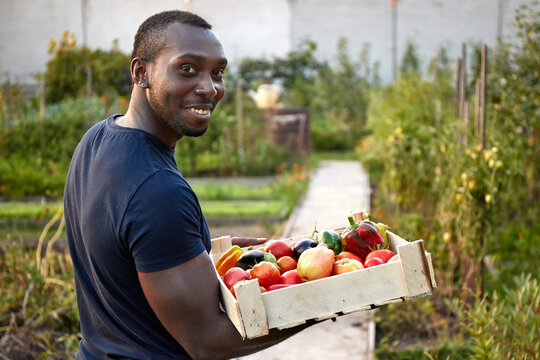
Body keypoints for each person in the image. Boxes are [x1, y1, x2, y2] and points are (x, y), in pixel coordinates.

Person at [63, 10, 314, 360]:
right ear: (141, 72)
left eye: (217, 72)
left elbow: (121, 253)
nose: (210, 87)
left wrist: (193, 251)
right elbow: (208, 340)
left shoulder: (96, 140)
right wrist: (321, 300)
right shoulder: (158, 191)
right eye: (187, 69)